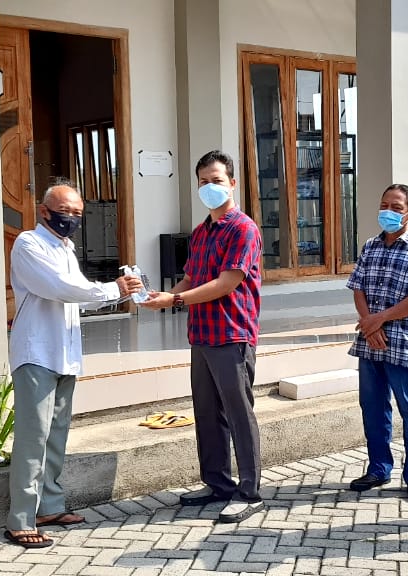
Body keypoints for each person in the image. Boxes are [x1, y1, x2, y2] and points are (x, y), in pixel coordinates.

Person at [5, 183, 142, 548]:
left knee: (56, 434)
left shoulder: (65, 248)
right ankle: (21, 519)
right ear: (44, 211)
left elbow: (80, 296)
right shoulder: (28, 244)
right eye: (65, 211)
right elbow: (60, 287)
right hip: (36, 352)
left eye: (78, 214)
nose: (72, 219)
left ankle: (49, 506)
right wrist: (113, 289)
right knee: (33, 437)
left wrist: (121, 291)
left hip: (64, 353)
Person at [140, 150, 265, 524]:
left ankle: (249, 491)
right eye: (203, 182)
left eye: (216, 180)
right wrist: (162, 297)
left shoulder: (243, 229)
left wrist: (175, 300)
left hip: (232, 334)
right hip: (202, 335)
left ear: (232, 183)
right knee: (208, 414)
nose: (210, 187)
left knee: (239, 414)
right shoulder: (200, 232)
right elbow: (192, 278)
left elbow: (227, 283)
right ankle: (217, 484)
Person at [344, 184, 408, 504]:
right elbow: (357, 287)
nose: (388, 211)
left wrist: (378, 319)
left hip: (404, 341)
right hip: (371, 342)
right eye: (384, 205)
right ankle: (379, 468)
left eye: (396, 207)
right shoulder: (370, 246)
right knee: (373, 408)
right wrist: (369, 324)